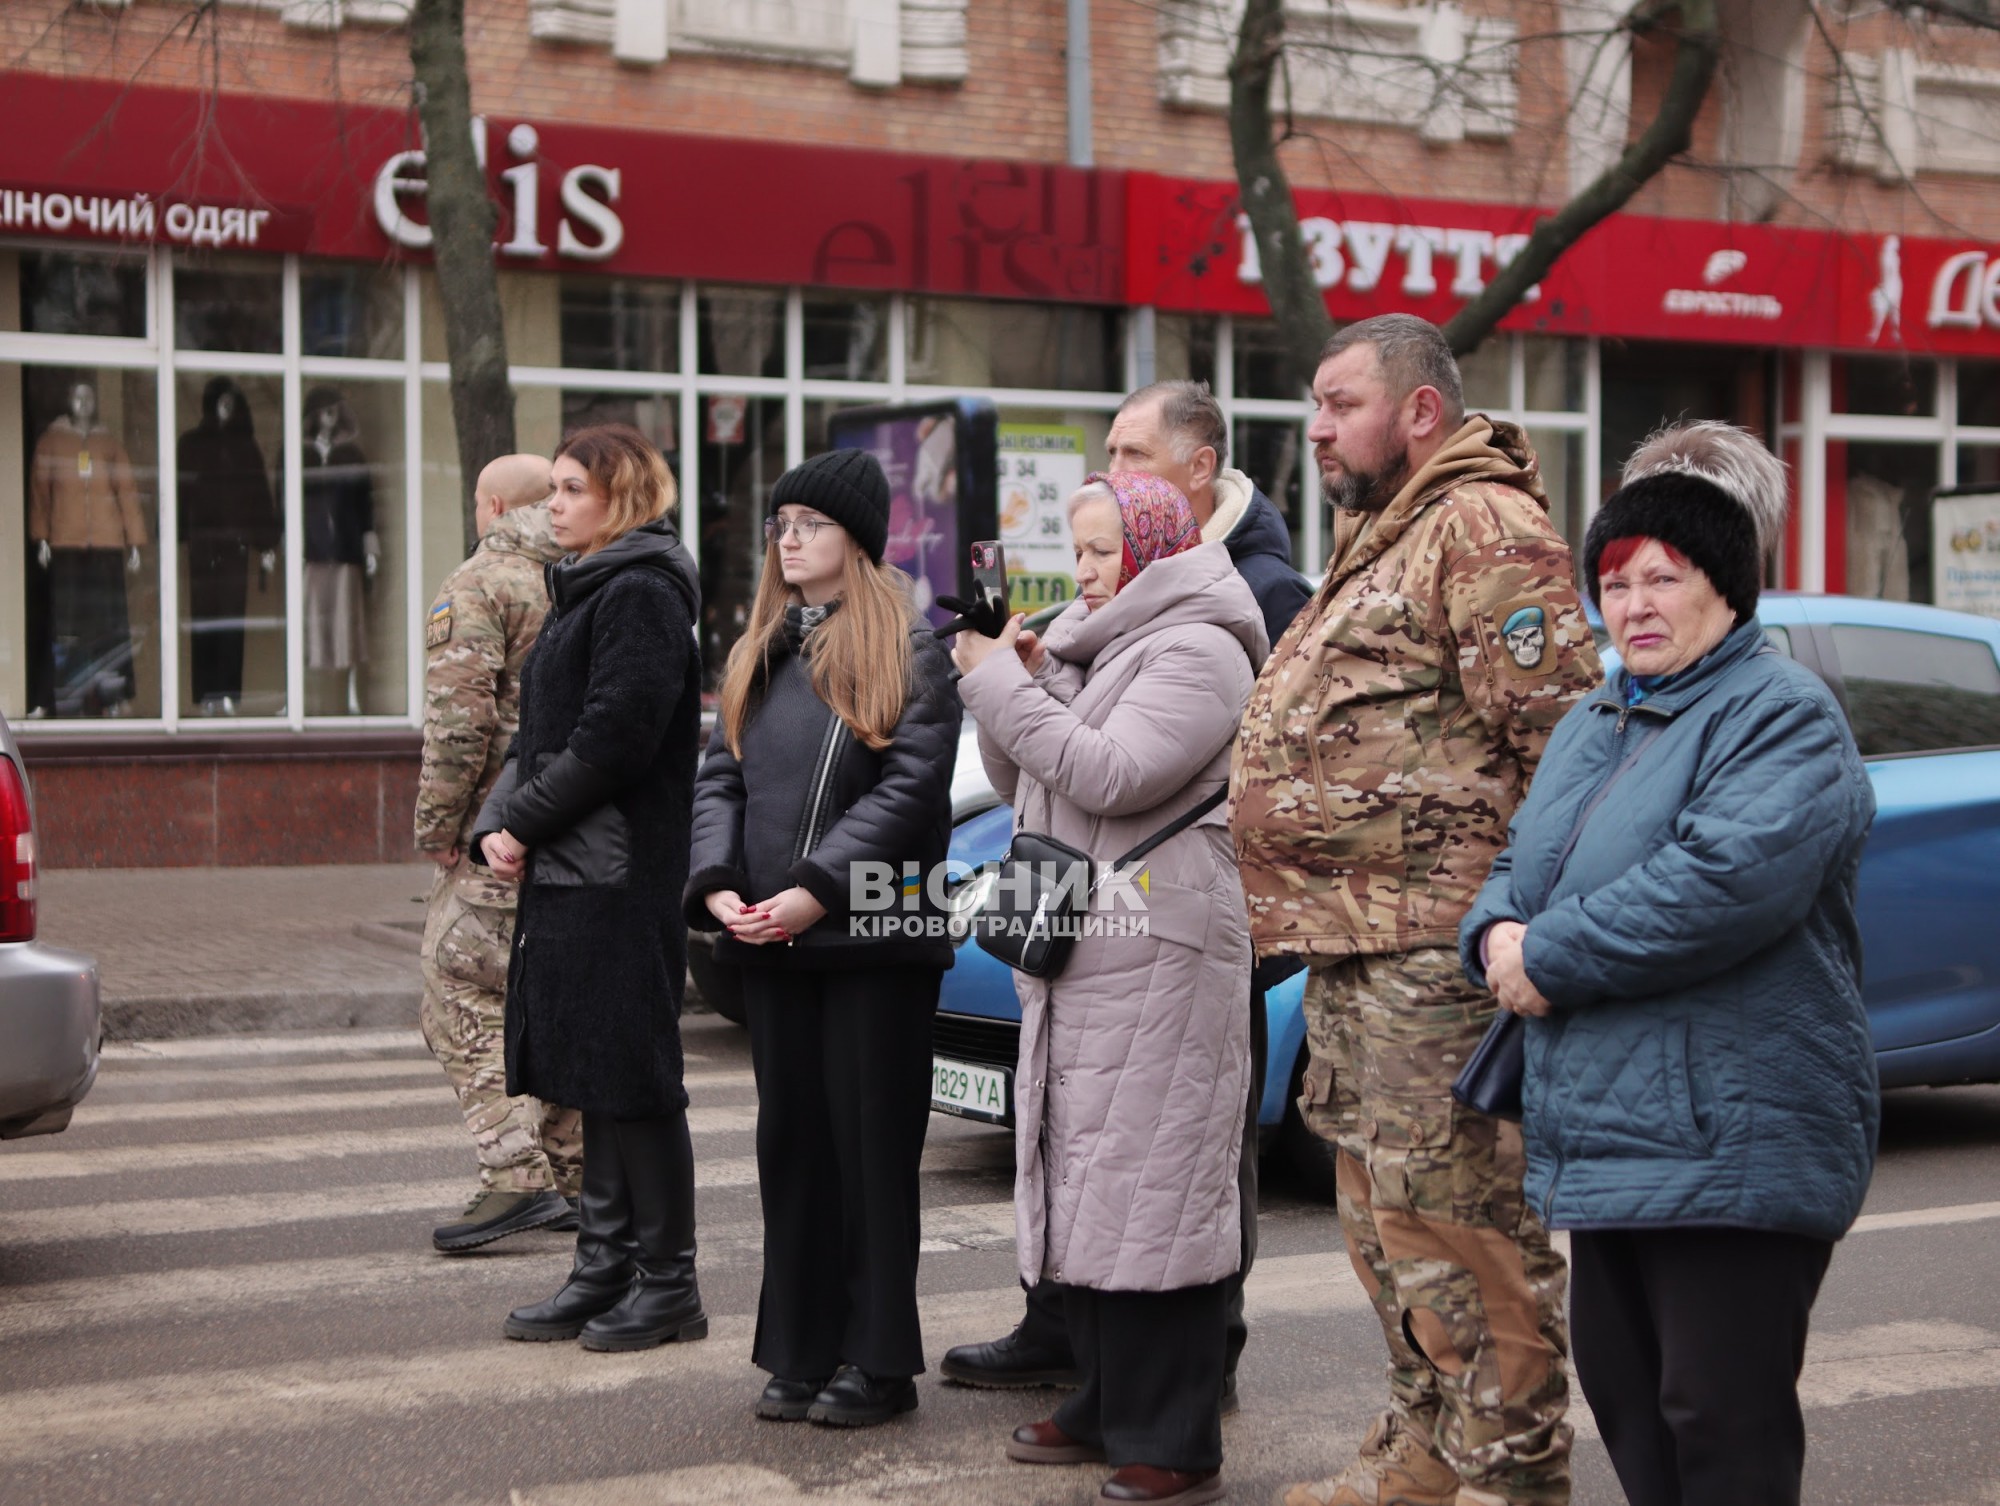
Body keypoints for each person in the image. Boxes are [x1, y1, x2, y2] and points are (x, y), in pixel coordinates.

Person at [1461, 422, 1878, 1506]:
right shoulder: (1594, 719)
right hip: (1606, 1128)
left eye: (1663, 578)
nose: (1635, 604)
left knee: (1718, 1420)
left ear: (1725, 586)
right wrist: (1493, 934)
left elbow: (1719, 885)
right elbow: (1521, 859)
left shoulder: (1782, 715)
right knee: (1632, 1407)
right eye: (1615, 582)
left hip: (1728, 1133)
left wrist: (1546, 954)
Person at [1230, 315, 1600, 1506]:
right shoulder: (1390, 528)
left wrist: (1518, 929)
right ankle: (1425, 1450)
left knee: (1465, 1233)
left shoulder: (1481, 525)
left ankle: (1508, 1478)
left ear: (1419, 412)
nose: (1316, 427)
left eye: (1340, 404)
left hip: (1439, 954)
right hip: (1359, 945)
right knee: (1386, 1225)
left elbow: (1563, 751)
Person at [941, 378, 1312, 1410]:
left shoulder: (1230, 607)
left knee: (1172, 1167)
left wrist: (1003, 684)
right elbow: (1034, 775)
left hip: (1167, 926)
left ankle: (1180, 1389)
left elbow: (1118, 774)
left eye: (1131, 455)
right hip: (1089, 926)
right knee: (1089, 1156)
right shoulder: (1102, 617)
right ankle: (1086, 1360)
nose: (1111, 472)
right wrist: (1019, 681)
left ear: (1192, 475)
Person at [685, 448, 960, 1428]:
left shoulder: (909, 648)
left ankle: (878, 1364)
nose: (789, 539)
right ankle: (799, 1351)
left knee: (871, 1157)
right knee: (792, 1150)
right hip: (773, 942)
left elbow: (911, 789)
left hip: (873, 941)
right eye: (781, 523)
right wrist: (718, 885)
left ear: (859, 539)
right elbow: (719, 780)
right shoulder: (759, 647)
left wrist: (813, 889)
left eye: (811, 523)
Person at [471, 424, 706, 1353]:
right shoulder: (586, 585)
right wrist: (498, 821)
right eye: (554, 487)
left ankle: (670, 1283)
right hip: (576, 868)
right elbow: (538, 737)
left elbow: (614, 739)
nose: (555, 503)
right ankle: (603, 1266)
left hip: (622, 873)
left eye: (573, 489)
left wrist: (522, 822)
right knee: (594, 1072)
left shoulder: (643, 592)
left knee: (636, 1076)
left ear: (624, 498)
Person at [415, 453, 583, 1254]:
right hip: (574, 828)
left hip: (497, 832)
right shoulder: (581, 578)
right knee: (546, 994)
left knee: (453, 984)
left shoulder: (480, 583)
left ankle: (516, 1171)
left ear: (489, 506)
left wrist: (440, 828)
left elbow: (459, 725)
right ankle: (577, 1177)